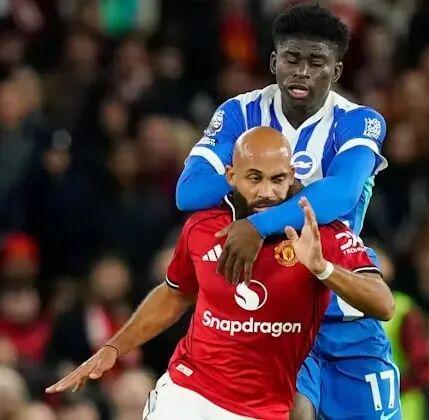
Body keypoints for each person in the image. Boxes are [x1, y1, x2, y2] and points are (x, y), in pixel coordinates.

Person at [45, 127, 394, 420]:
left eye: (277, 179)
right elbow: (174, 293)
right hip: (188, 392)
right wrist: (113, 347)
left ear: (292, 176)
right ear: (231, 177)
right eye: (254, 178)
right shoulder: (202, 227)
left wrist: (322, 268)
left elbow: (383, 304)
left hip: (263, 408)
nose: (267, 192)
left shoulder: (321, 233)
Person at [176, 4, 399, 419]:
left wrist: (259, 224)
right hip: (275, 311)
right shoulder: (240, 113)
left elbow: (342, 194)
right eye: (292, 59)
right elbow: (188, 192)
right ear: (274, 62)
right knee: (293, 410)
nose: (302, 72)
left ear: (335, 71)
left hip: (341, 297)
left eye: (317, 62)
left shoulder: (357, 121)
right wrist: (257, 176)